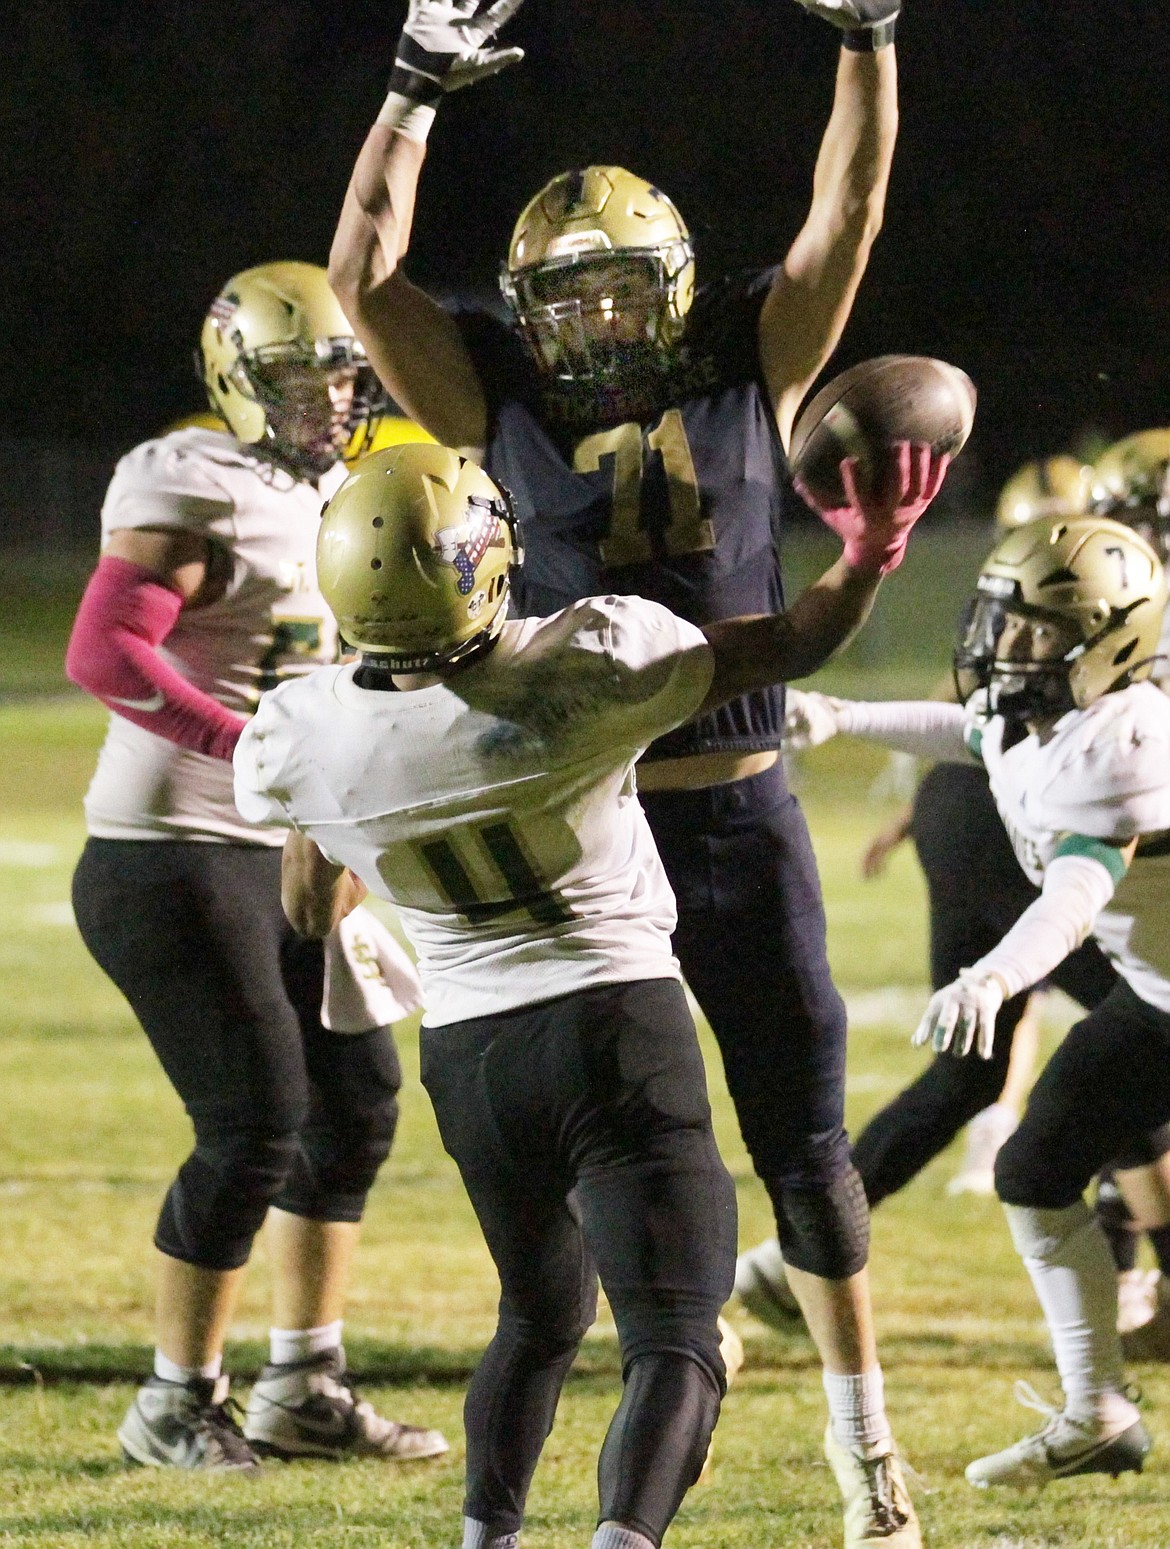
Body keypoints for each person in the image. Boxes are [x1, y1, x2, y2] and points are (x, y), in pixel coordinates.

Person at [325, 1, 934, 1539]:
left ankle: (869, 1464)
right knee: (595, 1198)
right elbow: (357, 281)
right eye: (568, 298)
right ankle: (626, 1420)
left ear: (667, 288)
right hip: (585, 840)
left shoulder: (750, 349)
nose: (597, 322)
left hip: (734, 807)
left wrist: (864, 40)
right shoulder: (486, 387)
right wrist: (410, 93)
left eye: (619, 292)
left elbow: (846, 209)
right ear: (529, 306)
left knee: (804, 1151)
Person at [232, 440, 944, 1549]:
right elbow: (793, 642)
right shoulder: (593, 661)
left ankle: (489, 1537)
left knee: (535, 1318)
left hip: (469, 1059)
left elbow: (310, 907)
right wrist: (867, 551)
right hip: (613, 1023)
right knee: (675, 1339)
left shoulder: (298, 732)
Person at [65, 261, 447, 1470]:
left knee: (355, 1108)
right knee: (255, 1117)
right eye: (296, 377)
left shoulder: (357, 483)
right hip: (174, 849)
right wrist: (254, 748)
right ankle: (173, 1400)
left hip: (296, 847)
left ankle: (304, 1383)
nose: (326, 398)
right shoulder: (195, 482)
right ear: (235, 379)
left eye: (341, 374)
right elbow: (106, 651)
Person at [773, 512, 1170, 1486]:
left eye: (1033, 629)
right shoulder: (1051, 714)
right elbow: (973, 733)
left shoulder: (1126, 737)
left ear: (1109, 642)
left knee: (1048, 1158)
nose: (1004, 645)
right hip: (1158, 995)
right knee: (1035, 1168)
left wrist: (995, 972)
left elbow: (1078, 887)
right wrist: (845, 716)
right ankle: (1098, 1410)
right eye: (1001, 619)